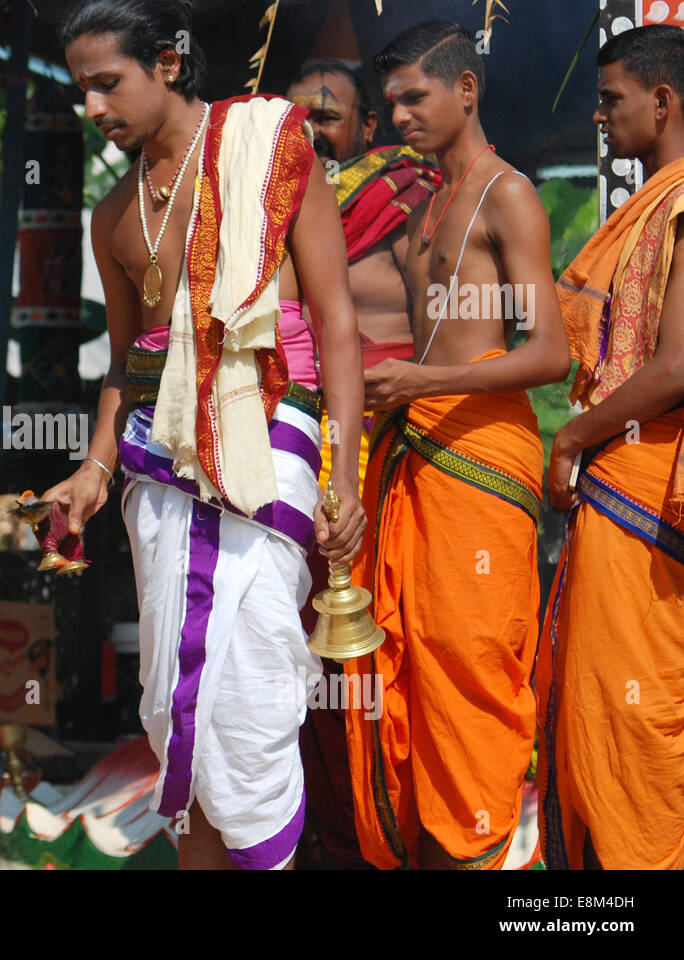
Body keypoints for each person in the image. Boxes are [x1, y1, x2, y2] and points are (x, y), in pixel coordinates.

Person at [49, 0, 366, 870]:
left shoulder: (270, 147)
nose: (95, 109)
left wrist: (350, 470)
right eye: (82, 90)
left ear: (169, 65)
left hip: (273, 442)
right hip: (162, 462)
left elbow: (336, 321)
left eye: (109, 83)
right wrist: (93, 467)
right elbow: (126, 365)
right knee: (177, 702)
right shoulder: (111, 214)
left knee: (254, 693)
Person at [340, 21, 571, 870]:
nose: (397, 115)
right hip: (418, 448)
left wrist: (418, 383)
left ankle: (479, 849)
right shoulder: (426, 202)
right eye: (388, 101)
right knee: (410, 662)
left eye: (414, 96)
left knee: (468, 660)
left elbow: (549, 351)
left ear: (465, 91)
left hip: (478, 457)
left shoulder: (506, 194)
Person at [538, 24, 684, 870]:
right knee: (605, 708)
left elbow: (674, 367)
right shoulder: (656, 203)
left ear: (662, 101)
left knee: (631, 714)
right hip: (627, 486)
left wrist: (574, 434)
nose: (598, 116)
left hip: (644, 488)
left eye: (611, 99)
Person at [284, 59, 440, 490]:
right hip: (287, 434)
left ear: (369, 126)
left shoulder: (404, 201)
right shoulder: (266, 215)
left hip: (386, 435)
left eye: (326, 118)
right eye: (296, 121)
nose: (310, 134)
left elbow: (452, 338)